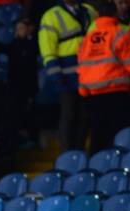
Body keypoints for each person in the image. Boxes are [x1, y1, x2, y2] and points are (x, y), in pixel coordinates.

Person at [77, 0, 130, 154]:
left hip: (93, 96)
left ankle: (96, 172)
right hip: (118, 93)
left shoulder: (87, 39)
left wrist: (83, 91)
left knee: (98, 138)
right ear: (115, 14)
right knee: (122, 137)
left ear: (97, 15)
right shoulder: (121, 34)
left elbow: (82, 66)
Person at [38, 0, 96, 150]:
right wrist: (55, 74)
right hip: (66, 75)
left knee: (85, 116)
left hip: (87, 74)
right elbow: (47, 47)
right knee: (69, 114)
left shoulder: (89, 11)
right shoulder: (51, 15)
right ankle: (67, 153)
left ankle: (79, 152)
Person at [0, 19, 38, 143]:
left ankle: (34, 139)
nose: (18, 31)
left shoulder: (33, 45)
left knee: (30, 114)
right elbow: (1, 47)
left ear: (28, 30)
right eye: (17, 29)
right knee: (14, 114)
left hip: (28, 87)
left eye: (22, 28)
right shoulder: (14, 44)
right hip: (14, 86)